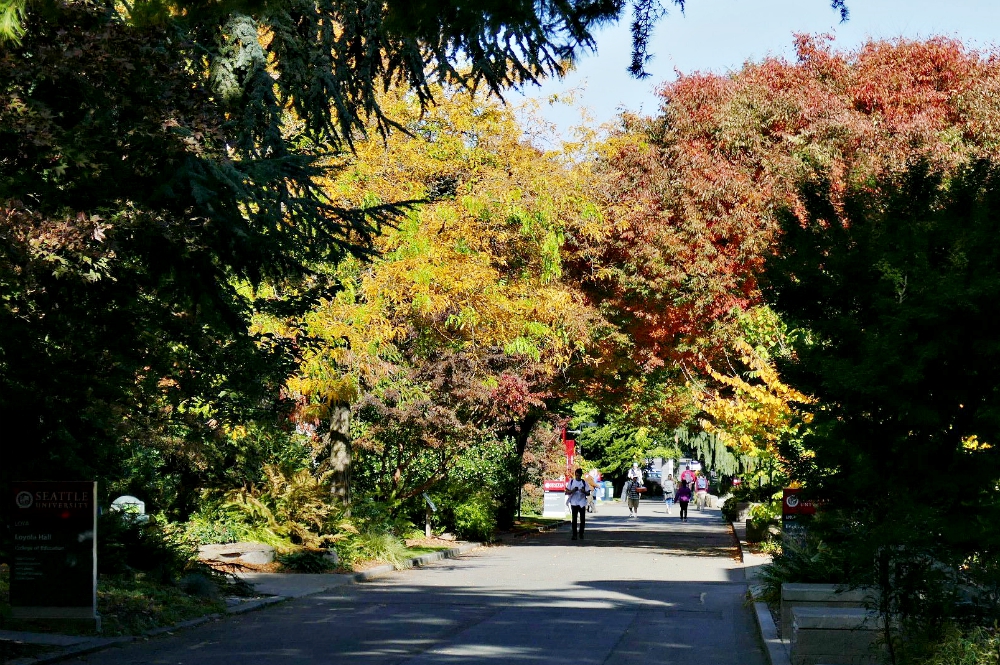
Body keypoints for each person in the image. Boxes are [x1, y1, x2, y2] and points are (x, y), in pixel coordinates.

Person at [565, 468, 590, 540]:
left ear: (581, 475)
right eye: (576, 475)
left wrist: (583, 491)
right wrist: (573, 490)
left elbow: (588, 493)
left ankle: (581, 533)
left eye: (579, 476)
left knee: (582, 519)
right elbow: (567, 492)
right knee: (574, 519)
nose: (577, 477)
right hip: (574, 502)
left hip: (582, 502)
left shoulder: (584, 482)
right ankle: (574, 534)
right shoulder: (572, 481)